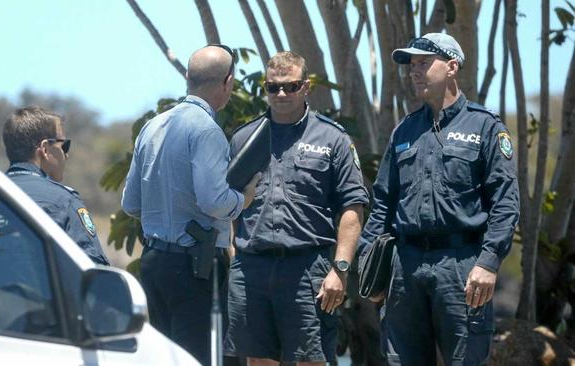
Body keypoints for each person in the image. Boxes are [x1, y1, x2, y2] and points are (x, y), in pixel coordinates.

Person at [358, 33, 520, 365]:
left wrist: (488, 263)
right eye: (411, 65)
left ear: (452, 66)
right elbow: (384, 202)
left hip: (462, 266)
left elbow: (505, 201)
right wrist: (368, 262)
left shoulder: (485, 127)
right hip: (405, 268)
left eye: (423, 63)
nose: (414, 71)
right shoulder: (403, 131)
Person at [225, 51, 370, 365]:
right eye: (273, 87)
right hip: (252, 268)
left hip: (308, 268)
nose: (281, 94)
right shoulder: (243, 139)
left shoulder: (333, 138)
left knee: (310, 360)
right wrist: (233, 254)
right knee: (257, 361)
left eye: (290, 86)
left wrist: (340, 269)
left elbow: (352, 207)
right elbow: (229, 202)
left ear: (307, 87)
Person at [121, 44, 259, 365]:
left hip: (154, 262)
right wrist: (245, 198)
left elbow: (130, 203)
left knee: (163, 358)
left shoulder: (151, 126)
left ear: (188, 77)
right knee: (198, 358)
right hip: (193, 269)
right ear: (228, 83)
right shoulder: (207, 130)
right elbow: (214, 202)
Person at [2, 106, 109, 265]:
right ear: (45, 149)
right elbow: (93, 270)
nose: (67, 154)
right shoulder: (64, 201)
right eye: (64, 146)